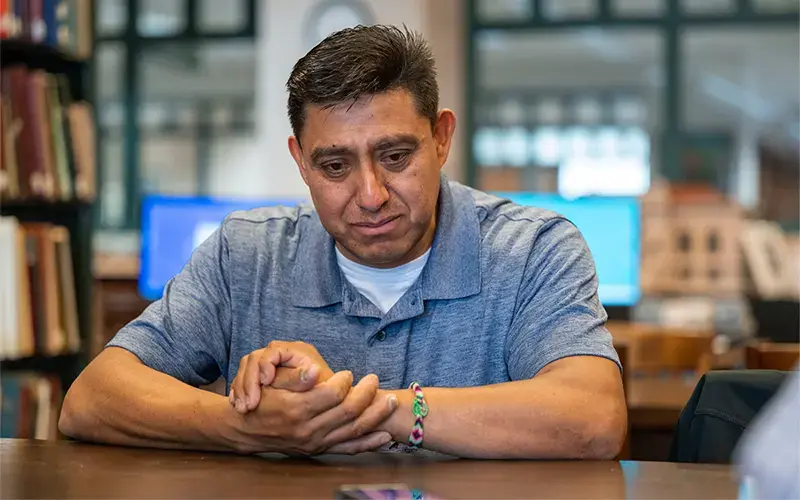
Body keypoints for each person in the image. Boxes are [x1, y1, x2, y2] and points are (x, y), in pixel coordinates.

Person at [59, 25, 626, 459]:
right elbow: (91, 400)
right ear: (300, 163)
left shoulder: (534, 250)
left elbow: (593, 417)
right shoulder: (246, 255)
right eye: (334, 166)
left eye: (396, 157)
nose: (372, 194)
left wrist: (368, 409)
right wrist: (245, 426)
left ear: (442, 137)